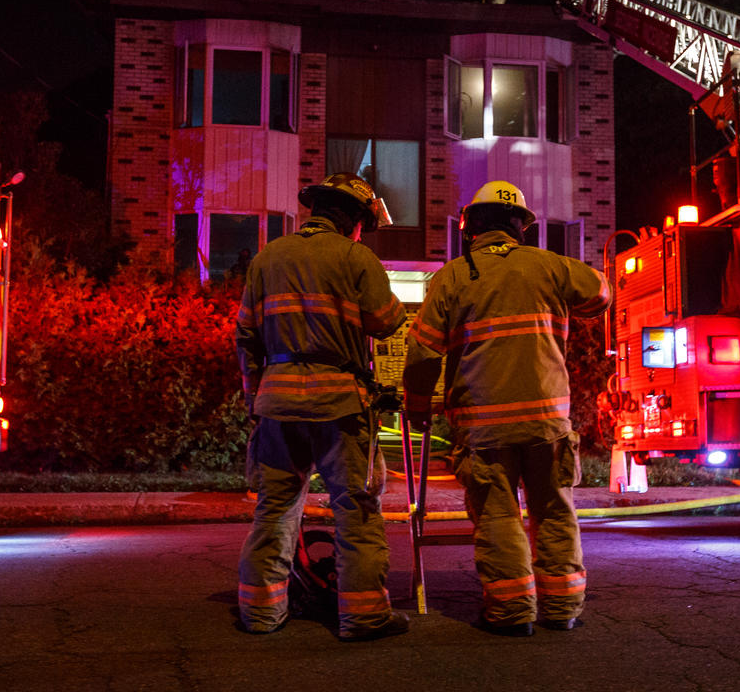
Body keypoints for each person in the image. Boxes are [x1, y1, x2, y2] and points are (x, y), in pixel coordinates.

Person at [402, 181, 611, 636]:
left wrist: (417, 406)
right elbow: (600, 294)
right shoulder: (549, 265)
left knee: (497, 516)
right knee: (553, 510)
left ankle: (513, 613)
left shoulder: (454, 276)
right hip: (546, 422)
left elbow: (422, 352)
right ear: (521, 226)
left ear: (470, 226)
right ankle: (562, 607)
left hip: (484, 427)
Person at [235, 172, 410, 641]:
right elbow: (387, 323)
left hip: (277, 402)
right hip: (340, 404)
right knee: (355, 510)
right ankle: (364, 617)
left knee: (274, 509)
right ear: (354, 219)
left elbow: (246, 336)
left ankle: (261, 614)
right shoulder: (356, 257)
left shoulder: (268, 257)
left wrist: (255, 398)